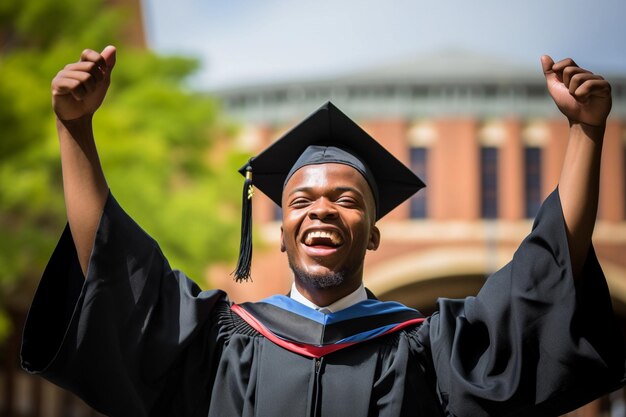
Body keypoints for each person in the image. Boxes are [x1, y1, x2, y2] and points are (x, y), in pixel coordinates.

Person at [20, 46, 626, 417]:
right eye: (302, 199)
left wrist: (586, 135)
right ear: (281, 233)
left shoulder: (425, 350)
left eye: (346, 200)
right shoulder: (221, 344)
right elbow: (116, 267)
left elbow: (543, 279)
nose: (322, 210)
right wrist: (75, 132)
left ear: (374, 235)